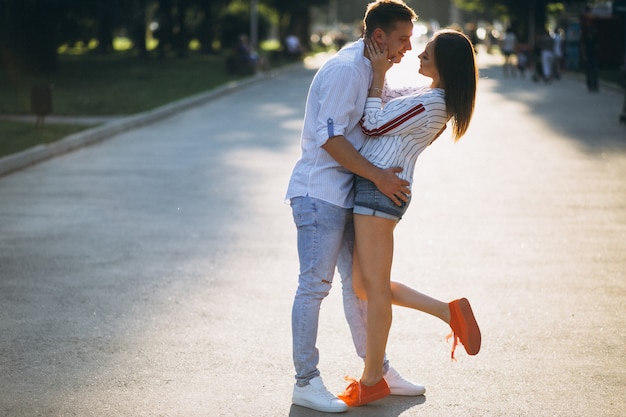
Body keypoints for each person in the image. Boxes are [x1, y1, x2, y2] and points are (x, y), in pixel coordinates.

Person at [285, 0, 425, 413]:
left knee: (359, 287)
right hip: (319, 192)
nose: (407, 49)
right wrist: (380, 177)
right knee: (315, 287)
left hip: (344, 194)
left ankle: (377, 371)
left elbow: (376, 114)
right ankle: (305, 381)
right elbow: (331, 138)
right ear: (378, 36)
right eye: (402, 39)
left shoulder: (369, 68)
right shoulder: (348, 69)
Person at [336, 29, 481, 408]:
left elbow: (372, 124)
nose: (418, 55)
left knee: (375, 290)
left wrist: (380, 76)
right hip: (378, 189)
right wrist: (377, 70)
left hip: (379, 191)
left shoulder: (434, 103)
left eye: (428, 53)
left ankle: (372, 380)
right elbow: (383, 104)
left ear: (446, 63)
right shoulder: (427, 96)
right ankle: (448, 312)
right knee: (366, 287)